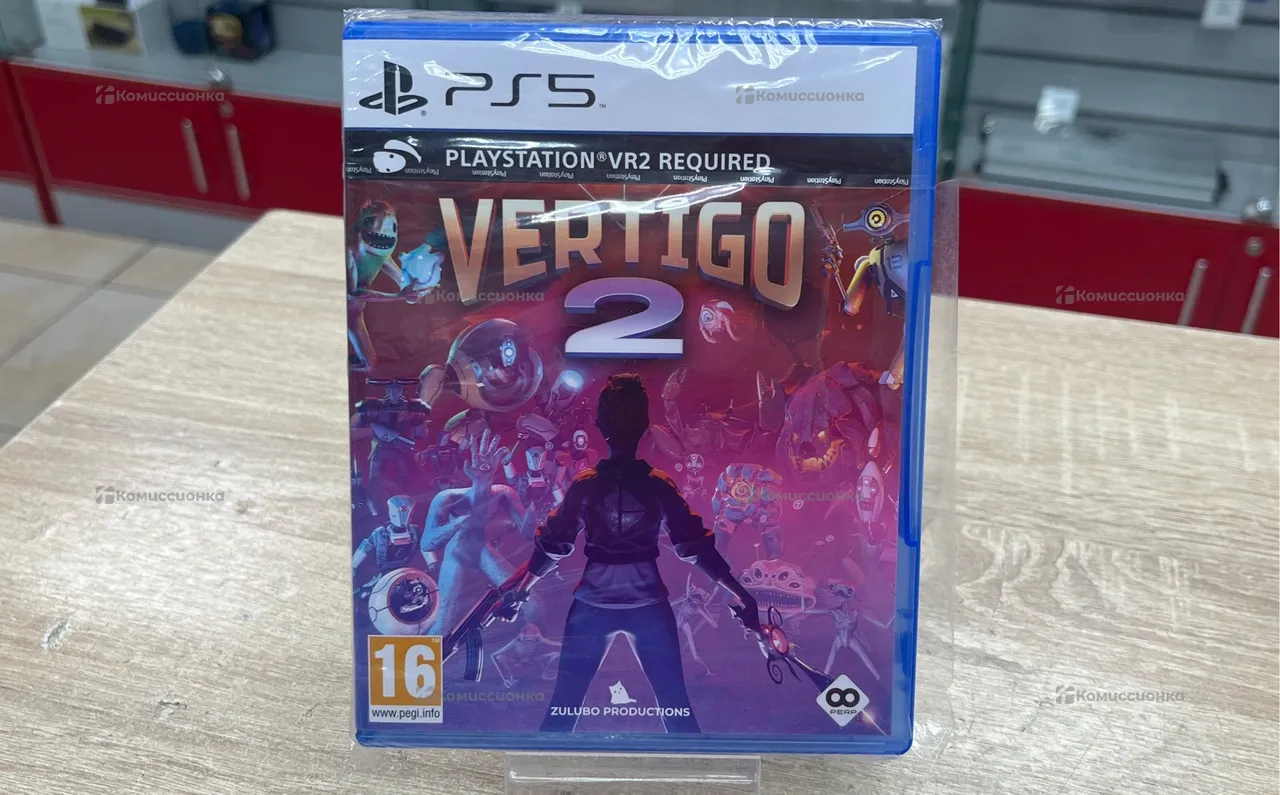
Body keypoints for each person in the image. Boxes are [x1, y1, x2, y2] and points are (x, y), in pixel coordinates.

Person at [497, 373, 761, 733]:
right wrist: (742, 594)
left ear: (599, 423)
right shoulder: (656, 485)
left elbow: (554, 544)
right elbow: (696, 547)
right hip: (645, 607)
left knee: (564, 707)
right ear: (645, 425)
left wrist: (520, 592)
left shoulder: (588, 485)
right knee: (675, 707)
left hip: (595, 608)